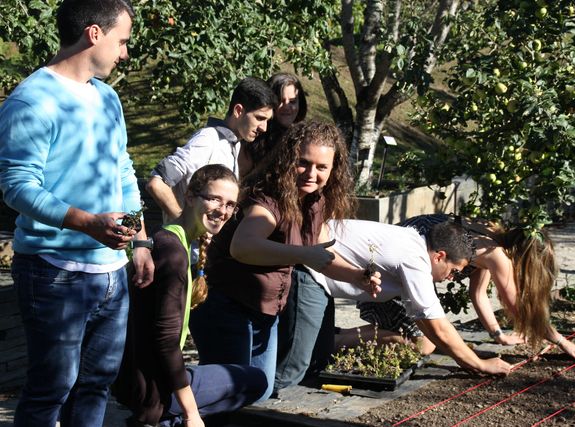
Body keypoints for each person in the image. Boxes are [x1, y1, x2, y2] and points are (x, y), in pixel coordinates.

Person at [0, 0, 154, 425]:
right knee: (51, 389)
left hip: (112, 271)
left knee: (95, 386)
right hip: (54, 272)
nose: (125, 53)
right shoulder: (31, 101)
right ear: (94, 34)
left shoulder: (107, 99)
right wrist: (86, 223)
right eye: (121, 41)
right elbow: (17, 187)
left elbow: (123, 169)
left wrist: (138, 241)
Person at [189, 120, 377, 401]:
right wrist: (303, 254)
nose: (311, 173)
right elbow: (243, 246)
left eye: (322, 167)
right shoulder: (269, 198)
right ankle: (162, 398)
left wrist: (357, 275)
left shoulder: (314, 201)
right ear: (289, 158)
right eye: (303, 163)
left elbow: (321, 252)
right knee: (229, 390)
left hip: (264, 313)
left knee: (258, 391)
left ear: (333, 169)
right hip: (226, 306)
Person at [275, 219, 513, 392]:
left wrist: (467, 359)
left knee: (318, 359)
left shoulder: (412, 244)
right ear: (439, 256)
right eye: (453, 271)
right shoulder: (415, 259)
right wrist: (479, 364)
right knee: (291, 373)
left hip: (318, 279)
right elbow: (438, 327)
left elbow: (424, 320)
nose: (451, 278)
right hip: (309, 274)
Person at [113, 165, 267, 427]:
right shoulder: (172, 253)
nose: (223, 210)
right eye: (215, 199)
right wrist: (191, 413)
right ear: (190, 196)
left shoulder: (172, 240)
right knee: (255, 381)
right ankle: (165, 420)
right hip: (151, 390)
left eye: (230, 204)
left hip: (140, 382)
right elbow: (165, 341)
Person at [355, 214, 575, 361]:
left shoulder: (489, 236)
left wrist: (499, 336)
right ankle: (338, 340)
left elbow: (478, 295)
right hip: (392, 270)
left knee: (427, 339)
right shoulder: (497, 256)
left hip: (402, 264)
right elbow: (519, 308)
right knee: (425, 344)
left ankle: (343, 337)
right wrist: (561, 341)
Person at [146, 77, 278, 222]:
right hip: (181, 243)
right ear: (238, 111)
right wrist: (184, 225)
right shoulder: (207, 139)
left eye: (267, 120)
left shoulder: (234, 143)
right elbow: (157, 183)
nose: (264, 128)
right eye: (259, 118)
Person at [243, 72, 307, 168]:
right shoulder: (252, 137)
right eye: (280, 101)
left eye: (292, 102)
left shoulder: (305, 136)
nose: (287, 107)